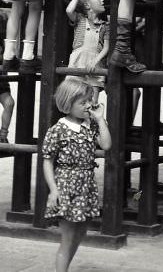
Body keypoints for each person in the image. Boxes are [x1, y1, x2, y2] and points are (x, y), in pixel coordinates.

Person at [42, 78, 111, 272]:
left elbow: (106, 145)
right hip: (67, 186)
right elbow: (47, 160)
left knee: (81, 232)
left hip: (86, 186)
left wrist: (100, 119)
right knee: (67, 238)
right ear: (67, 104)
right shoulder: (57, 130)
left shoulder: (91, 125)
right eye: (83, 102)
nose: (88, 105)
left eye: (89, 100)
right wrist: (53, 190)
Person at [65, 0, 108, 104]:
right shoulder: (80, 20)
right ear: (88, 5)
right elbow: (69, 10)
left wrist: (95, 61)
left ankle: (91, 120)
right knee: (73, 96)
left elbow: (106, 47)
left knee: (93, 101)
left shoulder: (105, 26)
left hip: (95, 65)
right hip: (77, 62)